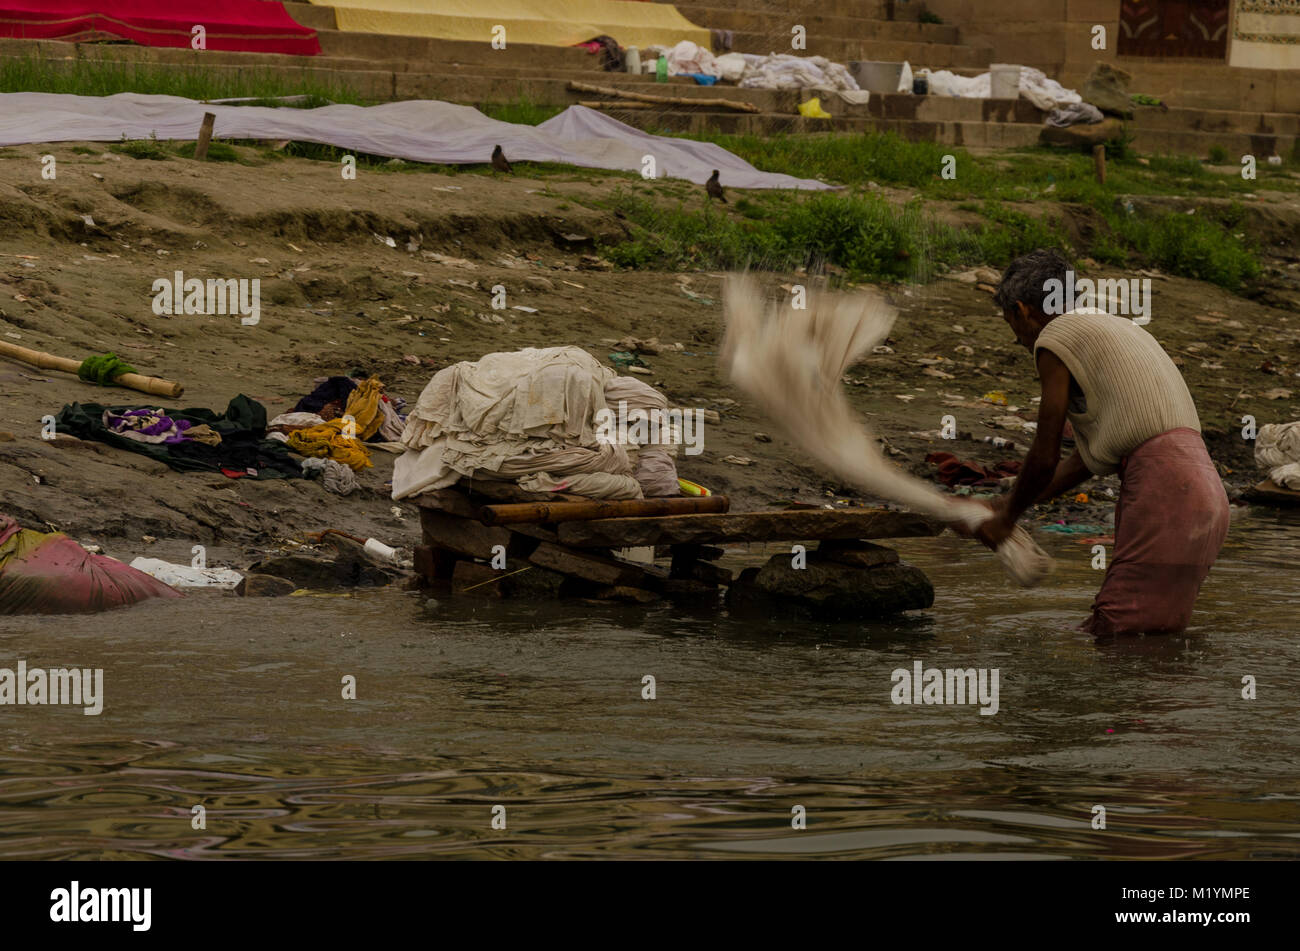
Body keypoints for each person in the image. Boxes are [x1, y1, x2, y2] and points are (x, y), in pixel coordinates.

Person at [976, 248, 1229, 634]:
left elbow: (1045, 455)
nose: (1018, 341)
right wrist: (1007, 505)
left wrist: (1006, 520)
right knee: (1150, 636)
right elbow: (1084, 462)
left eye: (1013, 325)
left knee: (1114, 633)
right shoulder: (1119, 327)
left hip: (1164, 493)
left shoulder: (1055, 337)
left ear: (1023, 311)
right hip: (1206, 500)